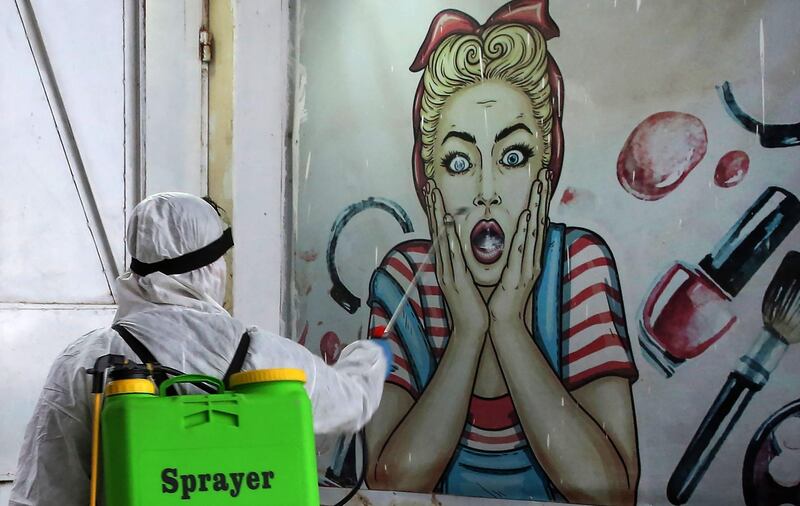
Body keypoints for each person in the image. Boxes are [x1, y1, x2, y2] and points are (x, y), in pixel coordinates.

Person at [364, 1, 640, 504]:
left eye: (512, 157)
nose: (487, 190)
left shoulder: (576, 266)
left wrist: (509, 325)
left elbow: (611, 492)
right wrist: (469, 330)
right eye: (459, 161)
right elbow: (387, 484)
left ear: (545, 167)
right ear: (431, 184)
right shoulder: (406, 278)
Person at [10, 192, 391, 506]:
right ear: (209, 268)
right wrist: (368, 357)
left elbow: (41, 491)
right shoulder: (261, 355)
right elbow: (351, 400)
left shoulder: (86, 362)